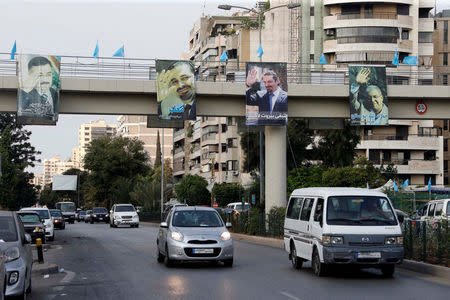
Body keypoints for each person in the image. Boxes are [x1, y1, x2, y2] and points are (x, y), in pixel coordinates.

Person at [18, 56, 58, 120]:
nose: (45, 79)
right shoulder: (25, 96)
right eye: (40, 75)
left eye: (48, 74)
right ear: (30, 76)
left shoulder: (55, 93)